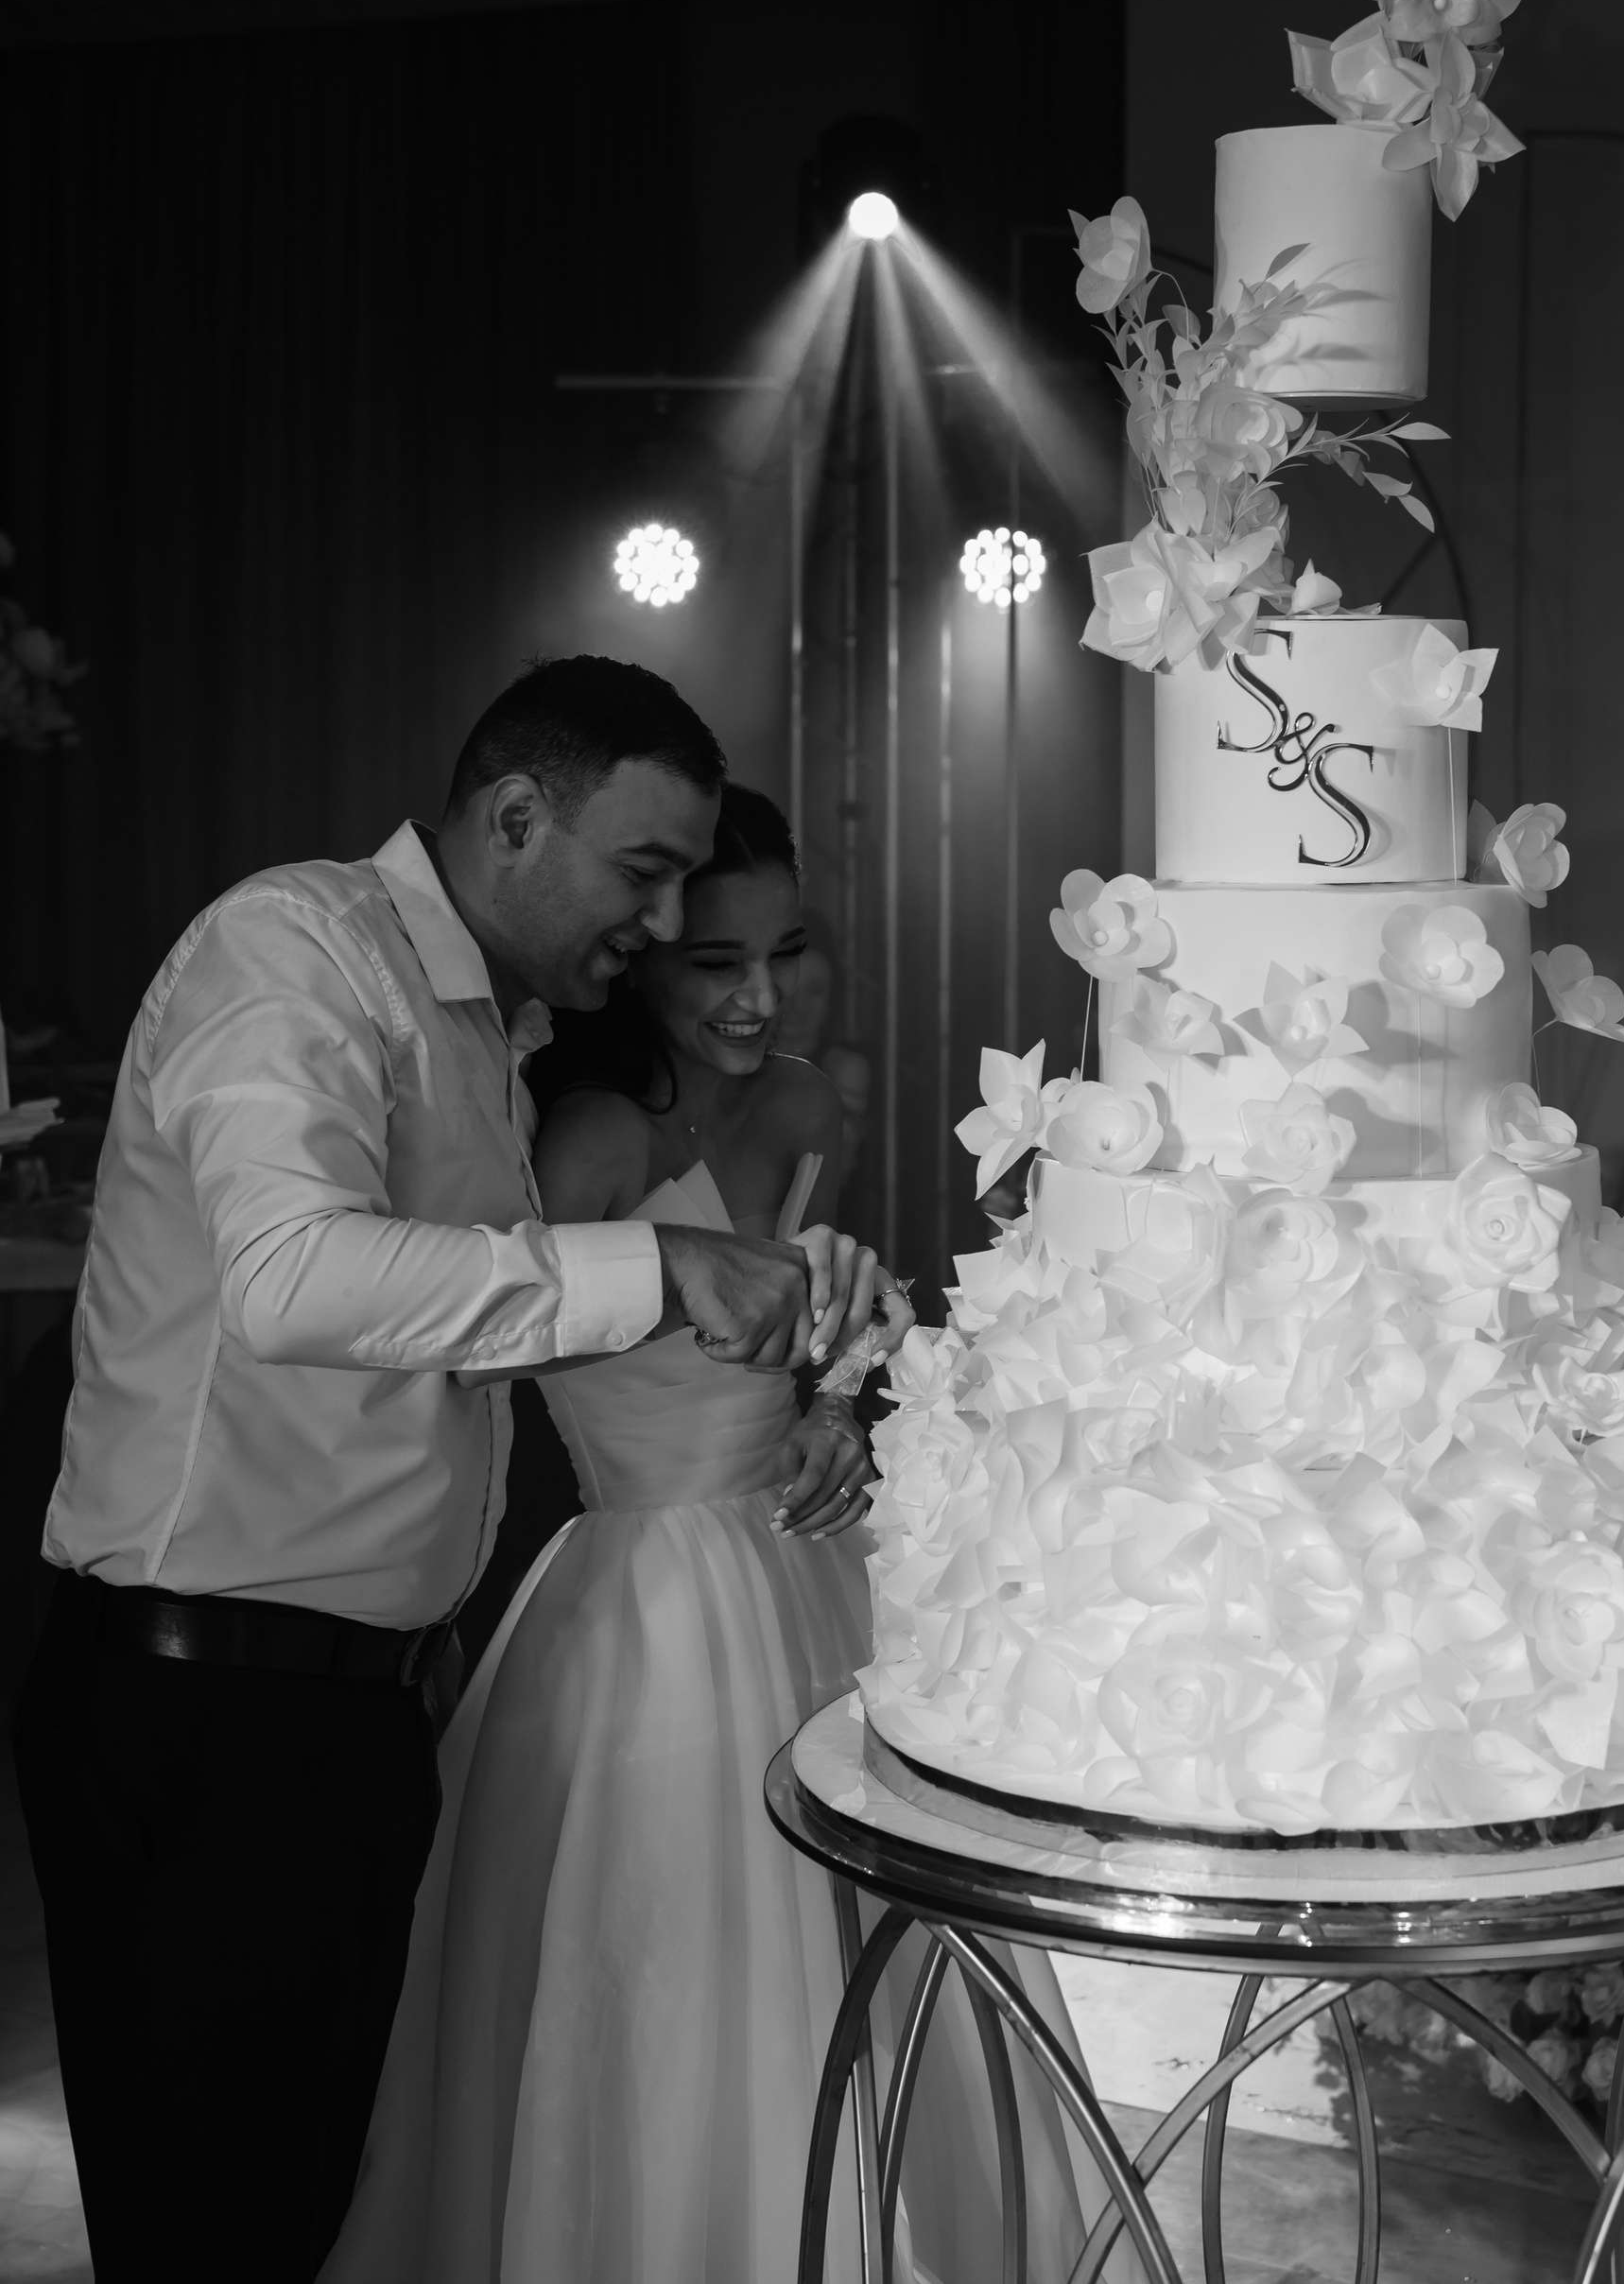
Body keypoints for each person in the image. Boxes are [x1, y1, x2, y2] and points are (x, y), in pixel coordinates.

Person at [12, 660, 879, 2284]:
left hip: (358, 1709)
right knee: (214, 2226)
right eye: (645, 873)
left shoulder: (498, 1031)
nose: (664, 919)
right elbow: (293, 1280)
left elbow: (466, 1339)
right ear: (517, 817)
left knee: (320, 2209)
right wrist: (661, 1270)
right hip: (207, 1706)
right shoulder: (294, 950)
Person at [320, 787, 1111, 2284]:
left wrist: (836, 1404)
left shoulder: (807, 1110)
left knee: (879, 1947)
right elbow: (482, 1349)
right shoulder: (589, 1142)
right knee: (678, 1962)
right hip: (645, 1600)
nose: (761, 999)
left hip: (811, 1574)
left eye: (785, 953)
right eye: (715, 964)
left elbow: (813, 1327)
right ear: (646, 961)